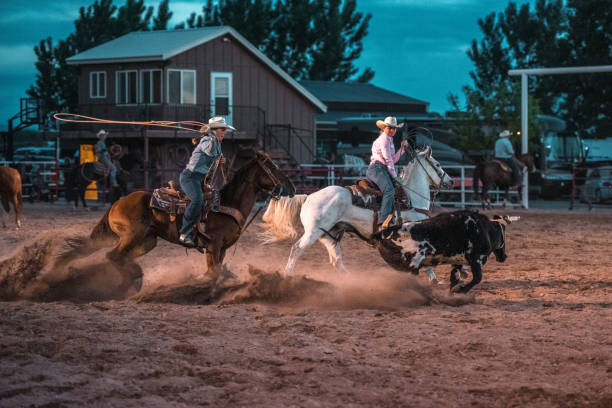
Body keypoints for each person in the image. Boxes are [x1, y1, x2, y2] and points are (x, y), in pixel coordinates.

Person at [179, 117, 235, 247]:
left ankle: (202, 232)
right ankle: (184, 233)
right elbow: (209, 151)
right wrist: (210, 135)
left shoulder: (217, 142)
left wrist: (221, 160)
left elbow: (216, 156)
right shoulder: (206, 140)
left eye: (225, 130)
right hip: (190, 177)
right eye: (222, 129)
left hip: (201, 179)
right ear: (215, 130)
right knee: (197, 200)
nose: (225, 132)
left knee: (212, 201)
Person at [366, 116, 408, 228]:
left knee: (392, 190)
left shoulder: (388, 140)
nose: (393, 130)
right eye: (390, 128)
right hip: (377, 169)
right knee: (389, 190)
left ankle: (389, 216)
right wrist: (394, 176)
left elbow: (393, 159)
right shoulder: (384, 139)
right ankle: (383, 222)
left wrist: (402, 149)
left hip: (380, 169)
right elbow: (389, 160)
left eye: (394, 128)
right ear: (384, 128)